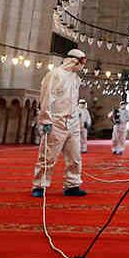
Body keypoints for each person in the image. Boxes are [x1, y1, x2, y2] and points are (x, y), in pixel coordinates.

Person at [31, 49, 88, 198]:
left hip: (72, 121)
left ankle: (72, 185)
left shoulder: (76, 78)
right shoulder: (55, 74)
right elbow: (46, 97)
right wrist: (45, 119)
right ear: (73, 61)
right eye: (81, 62)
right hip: (56, 121)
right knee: (48, 156)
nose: (82, 66)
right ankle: (40, 185)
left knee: (75, 156)